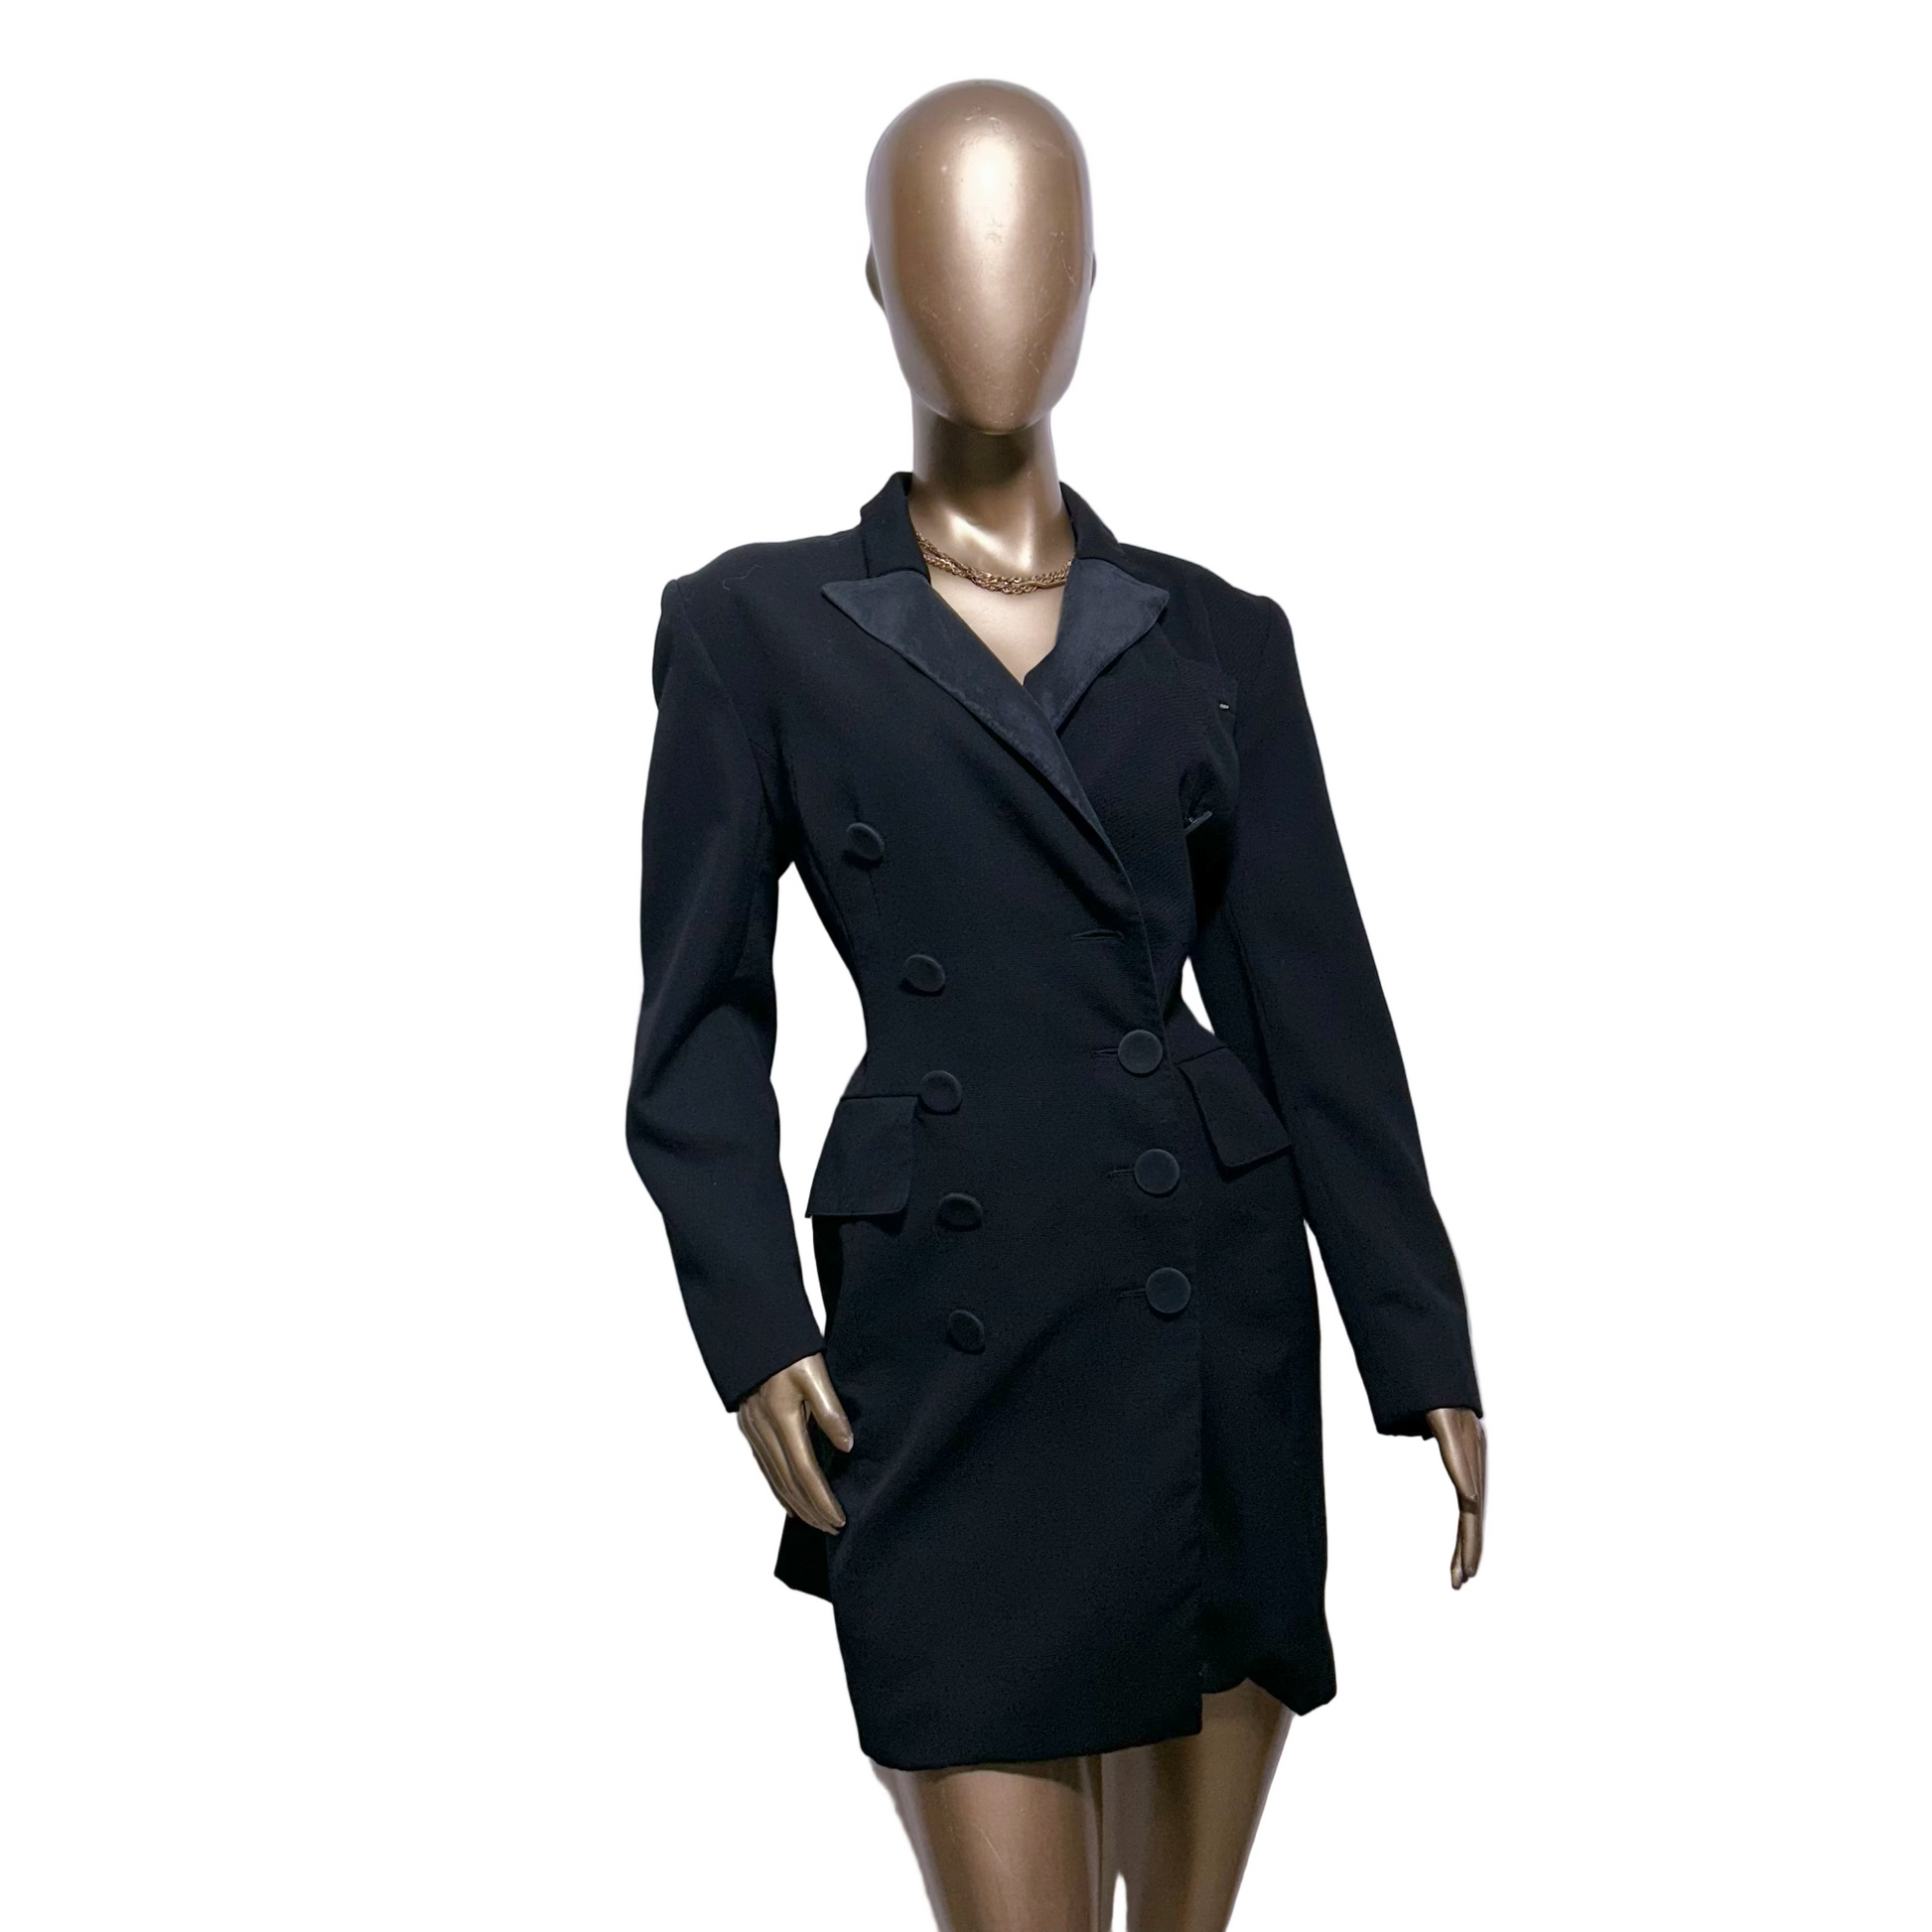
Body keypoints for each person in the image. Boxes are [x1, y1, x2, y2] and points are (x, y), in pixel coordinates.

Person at [625, 78, 1485, 1932]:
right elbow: (695, 1030)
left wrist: (1416, 1342)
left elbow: (1314, 1011)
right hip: (943, 1326)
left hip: (1203, 1303)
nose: (991, 297)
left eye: (1031, 254)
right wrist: (751, 1322)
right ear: (879, 285)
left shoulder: (1218, 630)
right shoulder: (752, 624)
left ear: (1089, 283)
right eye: (941, 254)